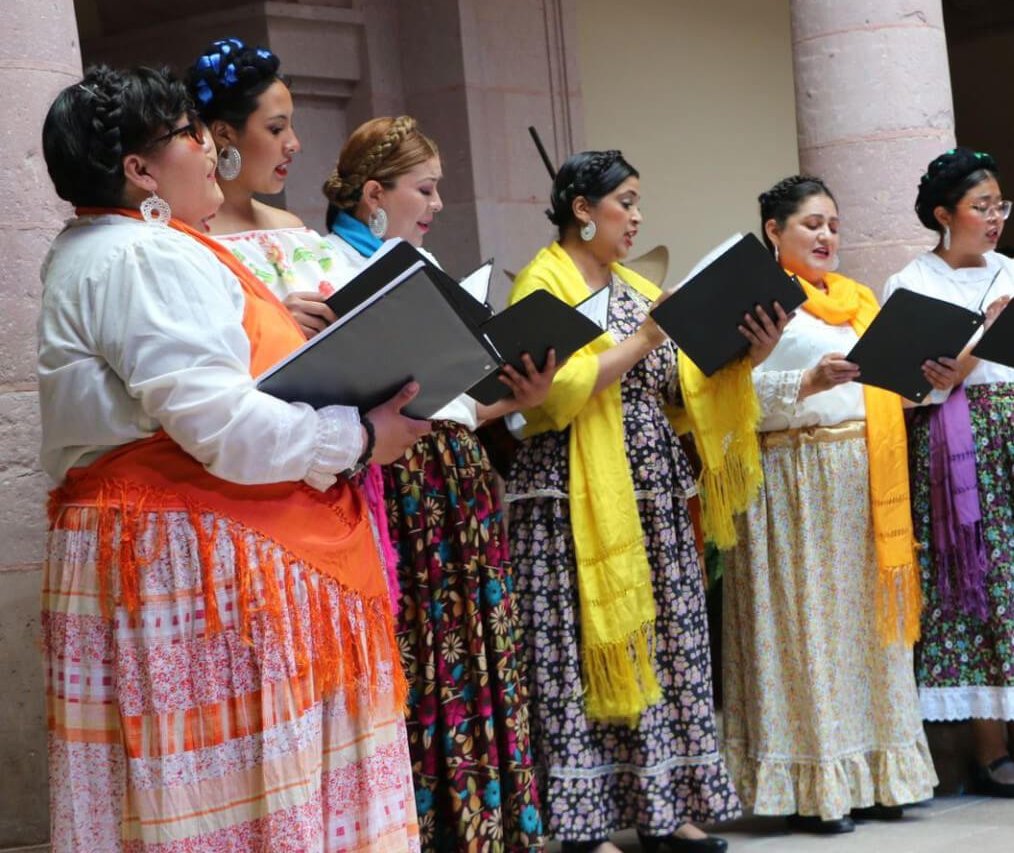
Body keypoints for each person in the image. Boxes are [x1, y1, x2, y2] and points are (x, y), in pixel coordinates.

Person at [39, 64, 428, 851]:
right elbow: (218, 424)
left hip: (189, 547)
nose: (209, 148)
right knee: (244, 803)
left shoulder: (131, 248)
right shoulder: (143, 256)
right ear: (139, 171)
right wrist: (356, 440)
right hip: (199, 556)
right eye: (188, 134)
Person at [504, 150, 782, 853]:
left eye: (637, 202)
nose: (636, 217)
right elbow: (557, 394)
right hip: (573, 497)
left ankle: (668, 807)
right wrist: (647, 336)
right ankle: (586, 822)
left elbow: (679, 389)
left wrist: (744, 355)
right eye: (624, 202)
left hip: (653, 494)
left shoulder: (631, 285)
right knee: (580, 655)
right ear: (581, 209)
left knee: (667, 646)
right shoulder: (545, 280)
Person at [318, 114, 553, 850]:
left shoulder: (430, 271)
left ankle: (483, 824)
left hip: (455, 474)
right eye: (426, 188)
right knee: (417, 650)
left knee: (475, 646)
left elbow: (456, 400)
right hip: (391, 479)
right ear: (375, 195)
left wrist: (517, 396)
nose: (439, 203)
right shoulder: (326, 266)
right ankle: (423, 827)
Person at [721, 175, 937, 834]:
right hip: (790, 474)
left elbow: (890, 391)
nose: (826, 236)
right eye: (812, 224)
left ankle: (877, 775)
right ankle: (815, 784)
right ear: (774, 232)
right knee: (806, 626)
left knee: (866, 630)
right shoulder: (754, 302)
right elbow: (723, 401)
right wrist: (804, 381)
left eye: (834, 225)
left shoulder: (860, 301)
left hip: (861, 475)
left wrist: (929, 381)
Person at [884, 147, 1014, 799]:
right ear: (944, 213)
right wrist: (985, 337)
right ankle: (984, 747)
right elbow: (910, 386)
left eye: (1000, 206)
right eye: (982, 207)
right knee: (977, 588)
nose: (995, 218)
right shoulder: (911, 283)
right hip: (959, 457)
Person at [186, 37, 343, 331]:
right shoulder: (186, 242)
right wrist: (275, 324)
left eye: (291, 127)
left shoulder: (295, 231)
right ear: (224, 133)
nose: (294, 144)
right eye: (276, 129)